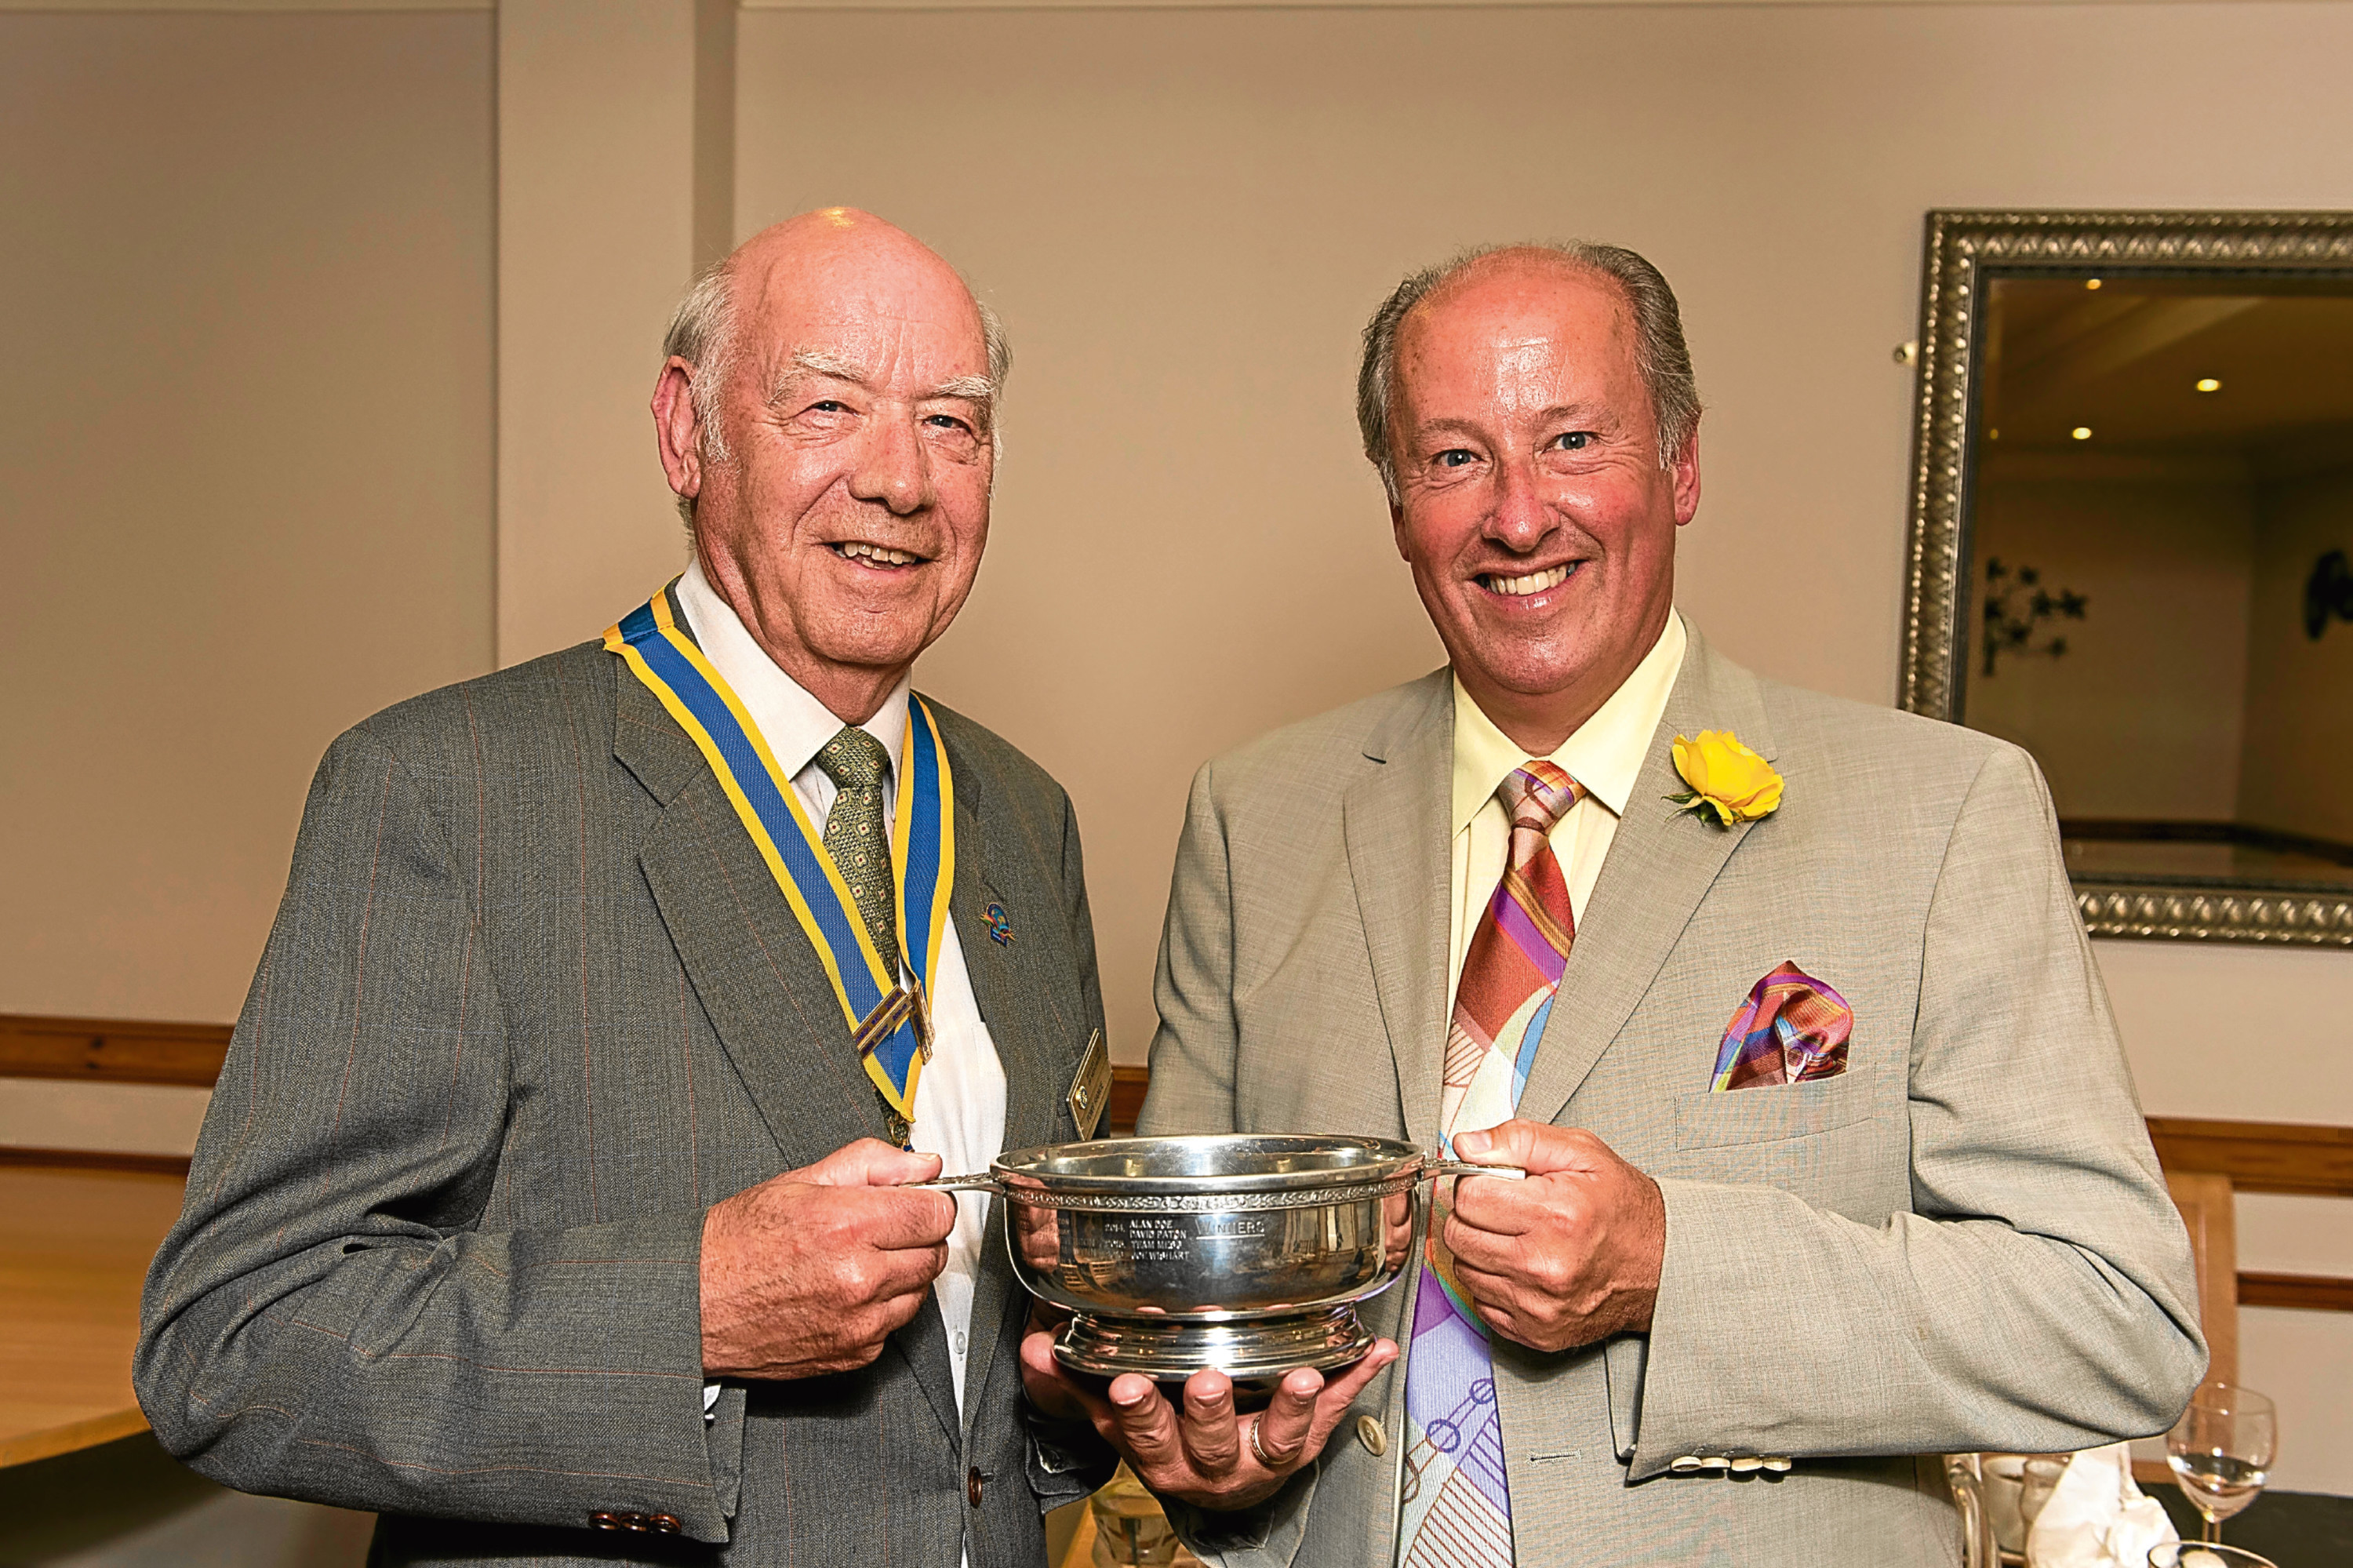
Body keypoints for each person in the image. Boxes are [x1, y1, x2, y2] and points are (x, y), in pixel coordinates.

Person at [1020, 242, 2205, 1565]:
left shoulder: (1941, 816)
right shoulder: (1258, 817)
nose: (1519, 517)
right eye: (1455, 457)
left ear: (1681, 467)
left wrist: (1670, 1264)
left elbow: (2120, 1321)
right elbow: (1206, 1326)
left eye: (1574, 439)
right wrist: (1213, 1456)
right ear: (1397, 498)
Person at [138, 209, 1114, 1566]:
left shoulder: (1019, 818)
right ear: (685, 432)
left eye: (954, 423)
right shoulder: (448, 794)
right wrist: (689, 1313)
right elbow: (234, 1345)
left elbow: (994, 1383)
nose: (902, 479)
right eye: (827, 406)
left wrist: (1084, 1405)